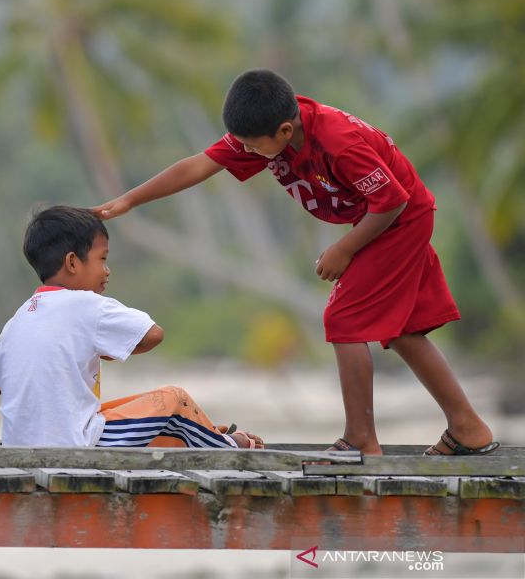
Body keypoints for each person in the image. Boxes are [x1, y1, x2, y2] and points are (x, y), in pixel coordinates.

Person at [93, 68, 499, 457]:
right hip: (384, 217)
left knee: (344, 319)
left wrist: (345, 249)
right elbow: (200, 164)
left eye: (252, 146)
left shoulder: (339, 141)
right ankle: (468, 429)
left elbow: (392, 201)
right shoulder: (270, 130)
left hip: (399, 219)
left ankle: (360, 439)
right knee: (406, 331)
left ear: (285, 132)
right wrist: (131, 199)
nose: (247, 153)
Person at [0, 205, 261, 449]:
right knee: (176, 400)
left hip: (21, 445)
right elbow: (153, 334)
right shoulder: (86, 304)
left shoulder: (21, 315)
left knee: (113, 412)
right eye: (102, 258)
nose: (107, 270)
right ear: (73, 262)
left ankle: (206, 433)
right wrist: (105, 351)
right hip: (75, 444)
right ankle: (227, 447)